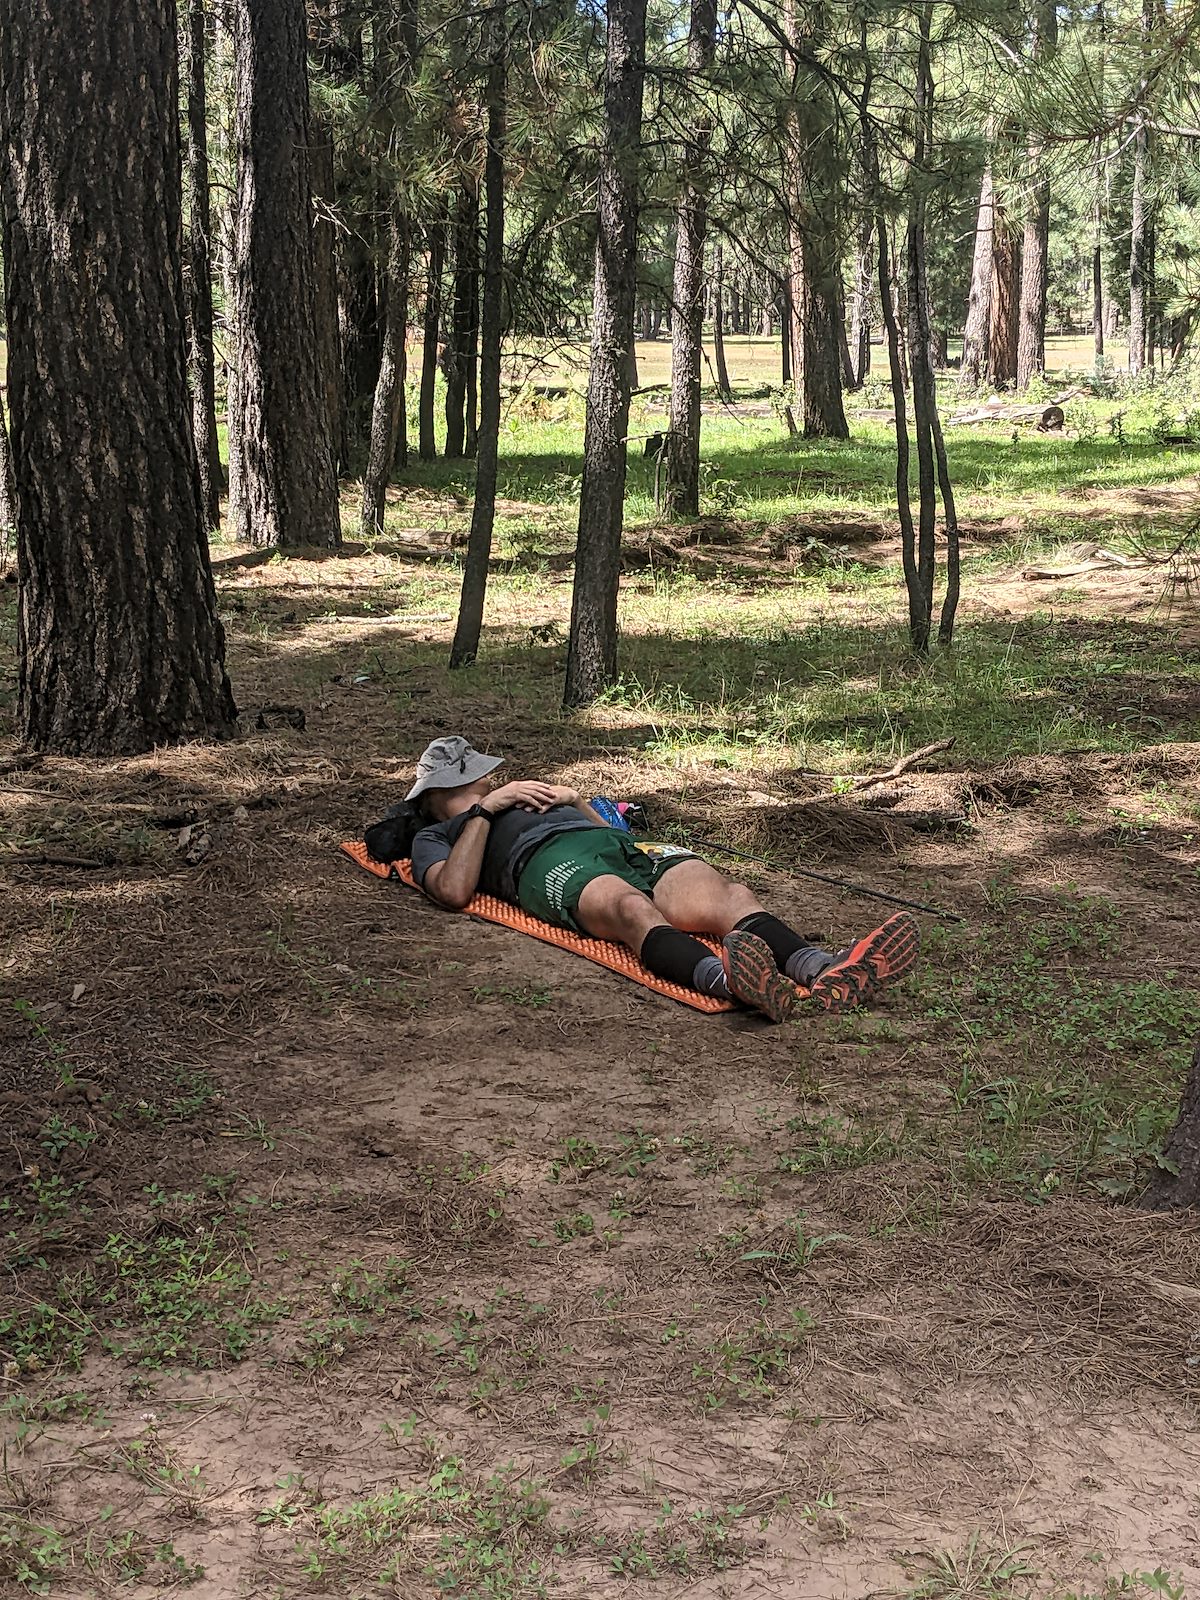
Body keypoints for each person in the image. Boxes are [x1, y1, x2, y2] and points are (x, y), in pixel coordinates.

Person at [379, 735, 919, 1023]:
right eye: (470, 779)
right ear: (433, 797)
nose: (484, 781)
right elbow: (452, 893)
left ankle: (823, 969)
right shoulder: (439, 834)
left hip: (613, 843)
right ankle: (733, 982)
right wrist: (482, 814)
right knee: (632, 909)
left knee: (728, 895)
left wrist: (577, 802)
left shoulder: (522, 792)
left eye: (483, 776)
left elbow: (609, 831)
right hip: (544, 864)